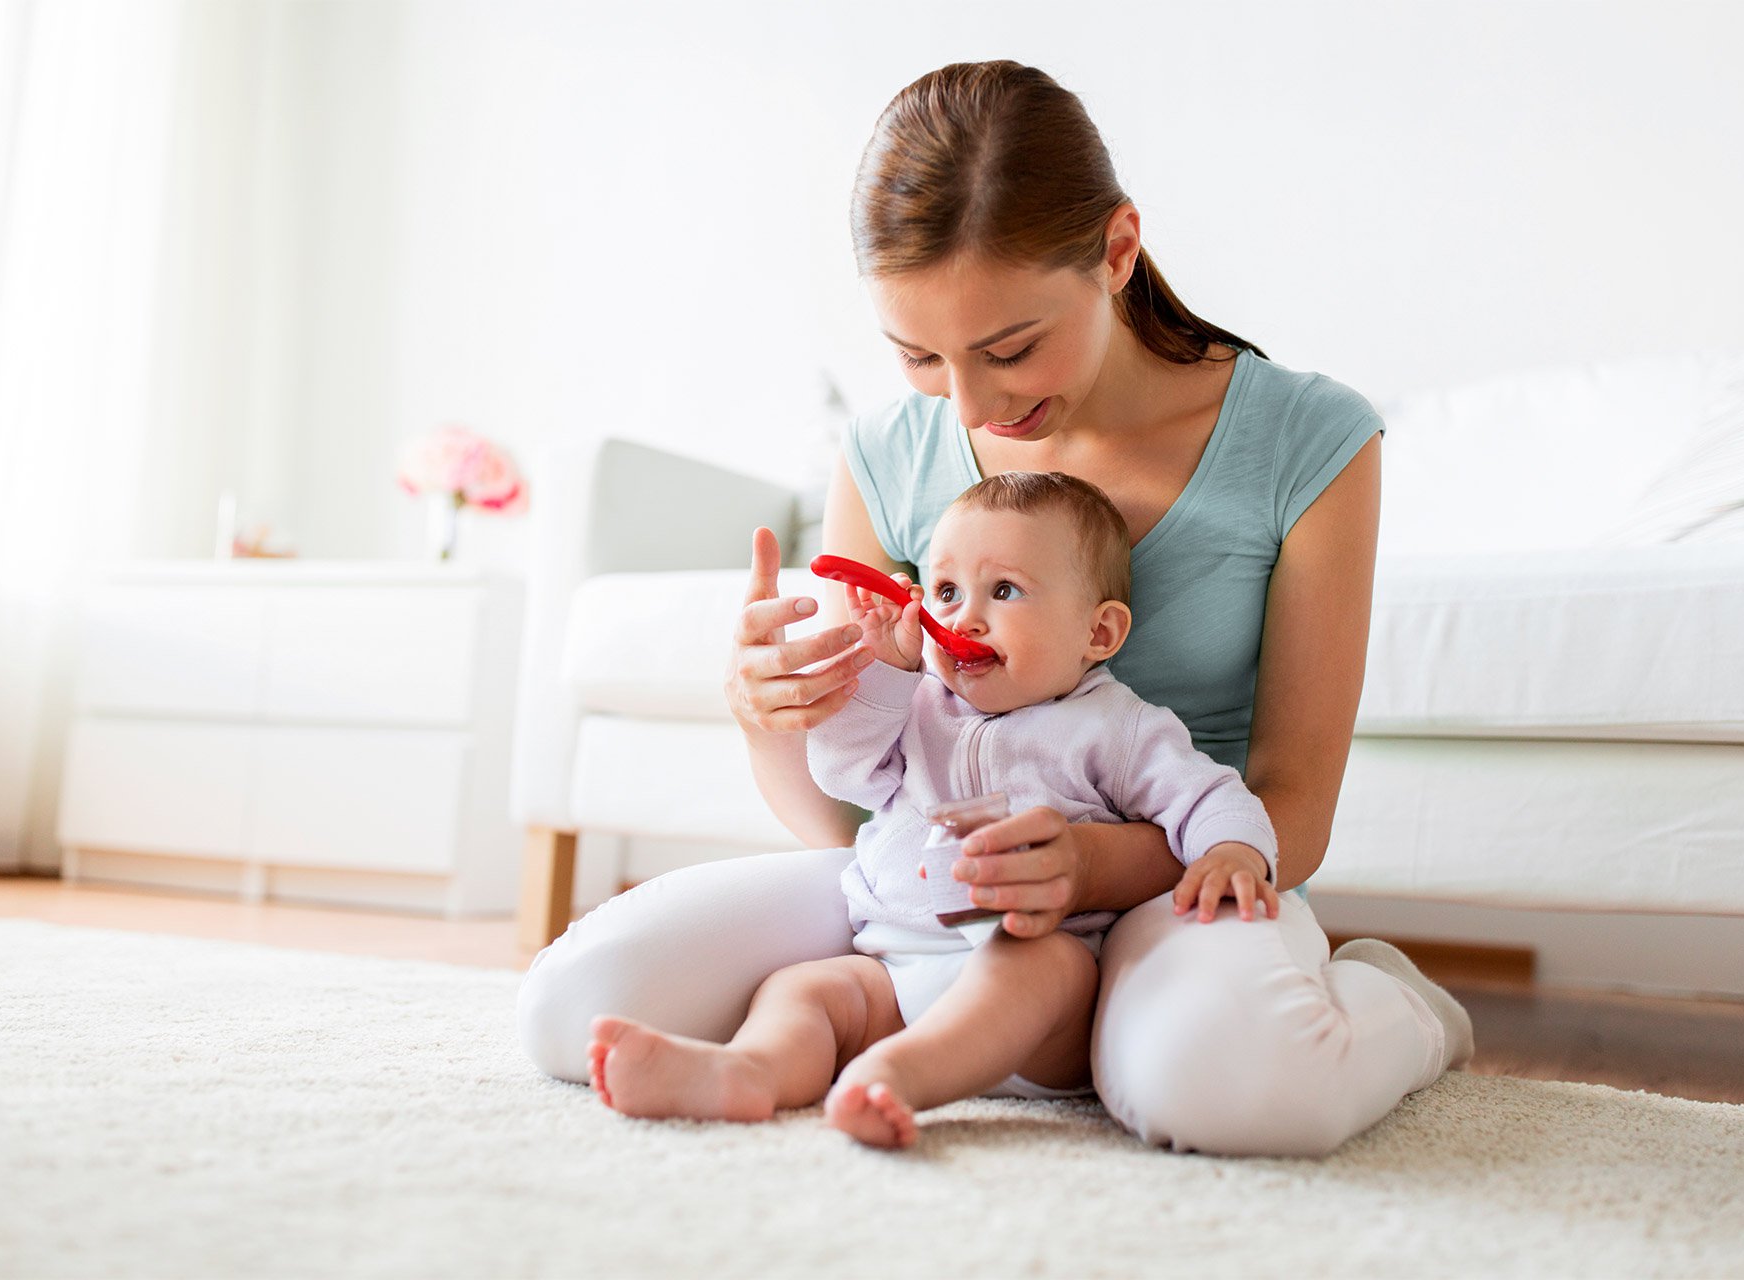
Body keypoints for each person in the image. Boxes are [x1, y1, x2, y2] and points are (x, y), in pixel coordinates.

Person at [518, 59, 1474, 1158]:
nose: (970, 405)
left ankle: (1398, 1005)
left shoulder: (1309, 438)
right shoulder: (882, 452)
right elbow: (848, 815)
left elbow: (1292, 808)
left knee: (1230, 1094)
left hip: (1177, 881)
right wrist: (769, 708)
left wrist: (1087, 860)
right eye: (920, 355)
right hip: (928, 875)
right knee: (563, 1011)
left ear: (1117, 252)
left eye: (1010, 347)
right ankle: (910, 1045)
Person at [586, 472, 1282, 1148]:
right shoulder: (917, 705)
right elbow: (845, 774)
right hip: (894, 967)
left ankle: (895, 1078)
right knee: (804, 989)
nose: (964, 617)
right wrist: (885, 672)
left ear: (1098, 634)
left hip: (1042, 1001)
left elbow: (1210, 797)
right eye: (946, 591)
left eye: (1003, 590)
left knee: (1043, 969)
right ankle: (749, 1071)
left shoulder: (1118, 727)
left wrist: (1232, 852)